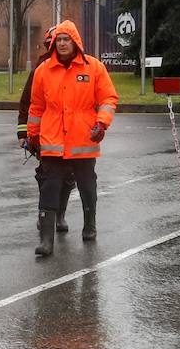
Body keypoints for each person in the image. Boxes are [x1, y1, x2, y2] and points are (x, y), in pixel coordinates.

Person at [26, 19, 118, 256]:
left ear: (75, 41)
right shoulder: (43, 71)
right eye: (59, 40)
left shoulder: (94, 68)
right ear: (53, 43)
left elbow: (108, 99)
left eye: (67, 39)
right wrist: (32, 135)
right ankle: (46, 241)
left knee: (87, 185)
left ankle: (90, 225)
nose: (63, 43)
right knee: (49, 186)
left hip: (83, 140)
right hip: (52, 140)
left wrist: (101, 124)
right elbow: (36, 107)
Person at [17, 25, 76, 233]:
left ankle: (60, 214)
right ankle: (46, 217)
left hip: (71, 136)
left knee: (69, 178)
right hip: (46, 136)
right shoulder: (40, 70)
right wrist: (24, 134)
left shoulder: (77, 68)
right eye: (53, 42)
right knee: (47, 178)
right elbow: (28, 104)